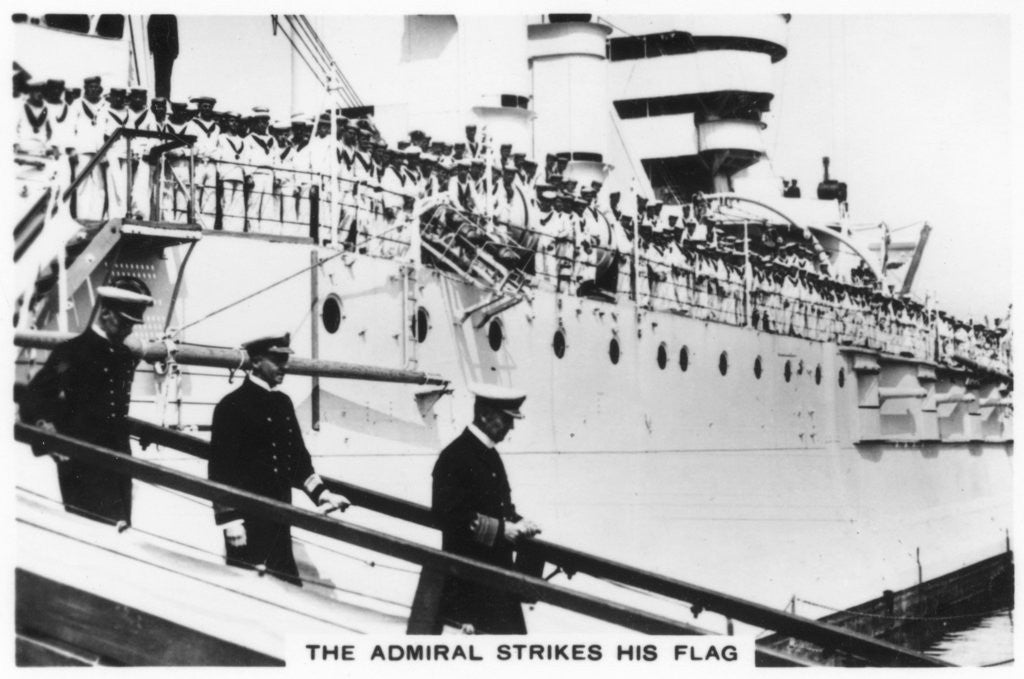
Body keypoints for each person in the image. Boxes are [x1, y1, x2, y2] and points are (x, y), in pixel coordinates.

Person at [208, 333, 350, 585]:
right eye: (277, 360)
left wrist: (322, 495)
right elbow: (220, 469)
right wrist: (230, 521)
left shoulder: (283, 403)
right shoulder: (231, 406)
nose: (284, 366)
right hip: (246, 522)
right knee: (248, 592)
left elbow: (298, 460)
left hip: (281, 519)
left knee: (287, 585)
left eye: (285, 359)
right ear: (255, 362)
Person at [18, 277, 154, 526]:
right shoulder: (72, 352)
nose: (129, 330)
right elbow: (34, 396)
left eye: (132, 324)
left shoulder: (123, 355)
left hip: (120, 459)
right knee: (91, 532)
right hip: (82, 461)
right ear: (105, 312)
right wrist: (49, 439)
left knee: (120, 530)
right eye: (125, 322)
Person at [430, 384, 541, 634]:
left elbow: (501, 507)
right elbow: (446, 515)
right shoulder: (454, 457)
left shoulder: (490, 455)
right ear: (484, 415)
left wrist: (520, 523)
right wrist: (502, 530)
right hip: (469, 584)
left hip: (496, 581)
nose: (511, 427)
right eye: (506, 419)